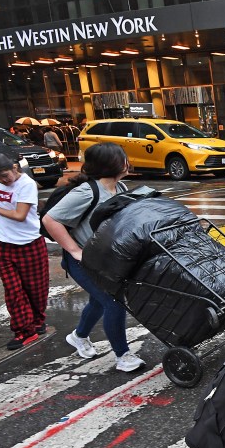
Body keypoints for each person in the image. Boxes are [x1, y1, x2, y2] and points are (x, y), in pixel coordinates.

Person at [41, 143, 145, 372]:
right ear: (112, 164)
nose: (127, 162)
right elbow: (50, 220)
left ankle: (79, 336)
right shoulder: (87, 191)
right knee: (113, 302)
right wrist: (75, 251)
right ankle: (123, 356)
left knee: (98, 302)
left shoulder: (120, 187)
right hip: (83, 261)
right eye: (123, 158)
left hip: (106, 259)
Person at [0, 153, 49, 351]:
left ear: (14, 167)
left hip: (28, 242)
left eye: (4, 176)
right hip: (0, 241)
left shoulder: (26, 184)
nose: (2, 181)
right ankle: (24, 330)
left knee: (36, 289)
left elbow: (20, 215)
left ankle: (37, 321)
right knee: (13, 290)